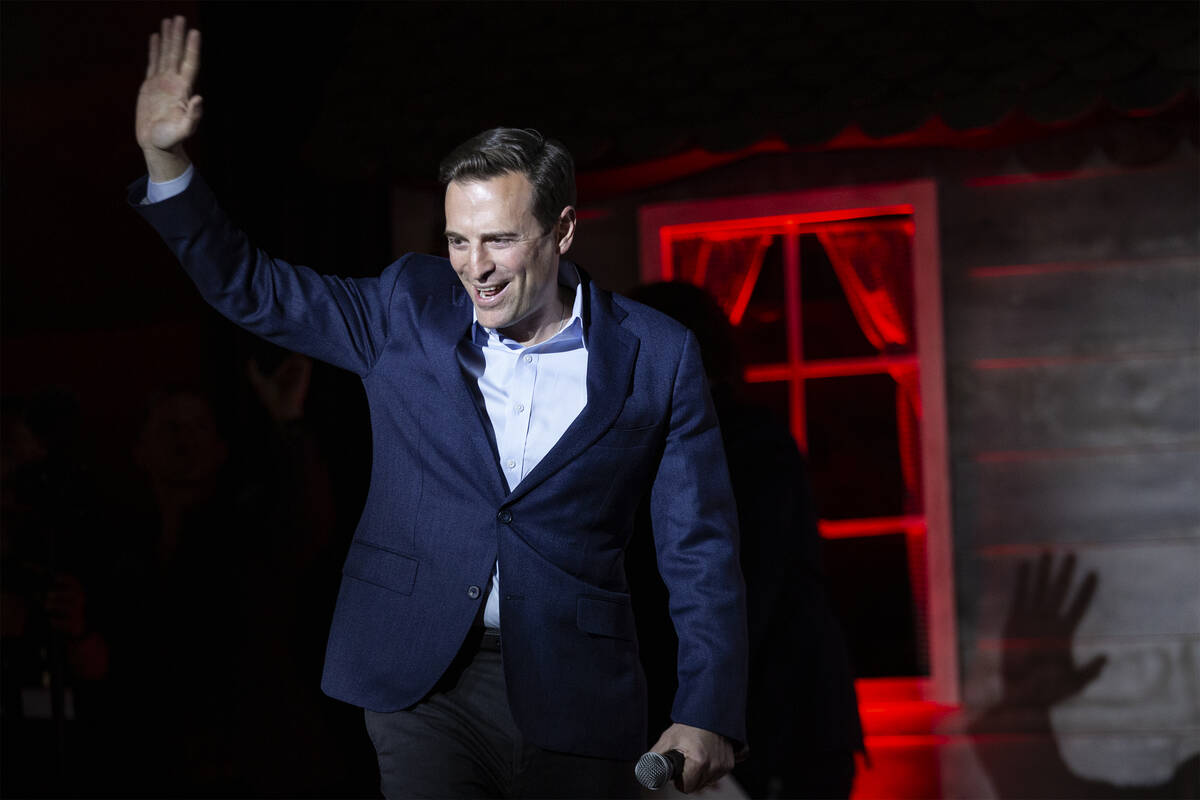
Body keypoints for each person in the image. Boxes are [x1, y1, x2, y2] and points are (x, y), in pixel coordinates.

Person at [129, 16, 747, 799]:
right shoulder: (404, 309)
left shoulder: (657, 354)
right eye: (458, 241)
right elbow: (252, 287)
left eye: (498, 241)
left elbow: (699, 546)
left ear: (560, 232)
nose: (474, 269)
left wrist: (709, 709)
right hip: (420, 680)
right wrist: (166, 161)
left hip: (576, 689)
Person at [626, 283, 864, 799]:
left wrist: (701, 719)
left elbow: (745, 592)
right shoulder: (729, 438)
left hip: (772, 727)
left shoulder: (745, 443)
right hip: (747, 723)